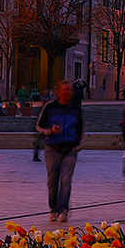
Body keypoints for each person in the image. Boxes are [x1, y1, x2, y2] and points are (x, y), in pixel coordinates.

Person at [37, 80, 84, 222]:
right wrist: (50, 131)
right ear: (58, 92)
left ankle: (63, 209)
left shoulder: (75, 109)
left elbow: (81, 128)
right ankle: (53, 209)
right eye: (64, 89)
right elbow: (39, 126)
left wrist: (79, 145)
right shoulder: (50, 107)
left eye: (69, 90)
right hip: (52, 149)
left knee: (65, 182)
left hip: (70, 149)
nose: (66, 92)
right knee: (52, 182)